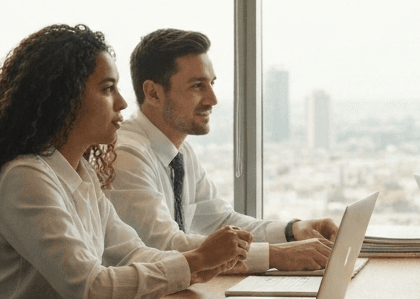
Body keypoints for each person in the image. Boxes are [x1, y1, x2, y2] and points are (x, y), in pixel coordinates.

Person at [0, 24, 247, 299]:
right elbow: (90, 290)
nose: (122, 102)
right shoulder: (25, 178)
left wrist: (198, 266)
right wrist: (196, 261)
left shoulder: (81, 172)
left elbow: (130, 252)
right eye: (108, 89)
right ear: (64, 99)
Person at [105, 29, 337, 274]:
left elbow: (223, 223)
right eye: (197, 86)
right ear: (153, 93)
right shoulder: (127, 156)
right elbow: (164, 245)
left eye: (211, 84)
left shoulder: (180, 152)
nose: (212, 99)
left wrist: (292, 231)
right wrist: (275, 255)